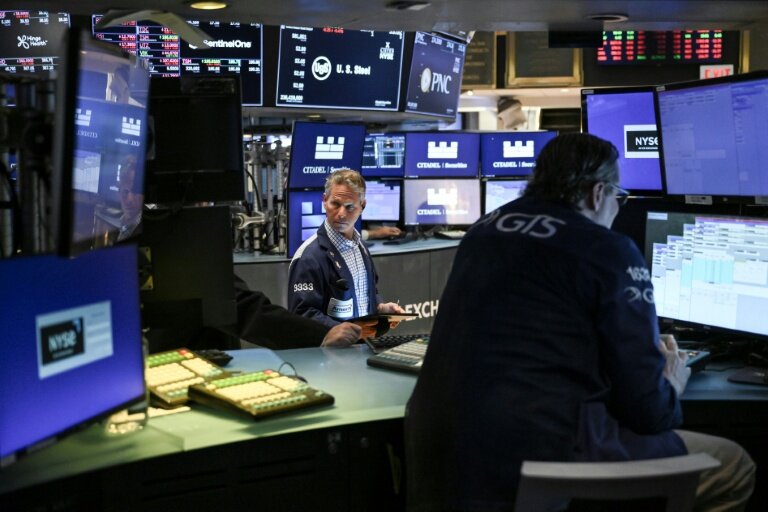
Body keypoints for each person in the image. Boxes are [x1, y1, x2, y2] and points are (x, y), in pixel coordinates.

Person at [404, 133, 755, 511]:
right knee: (733, 465)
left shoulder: (484, 230)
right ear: (596, 193)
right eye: (618, 197)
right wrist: (670, 385)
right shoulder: (606, 250)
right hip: (535, 464)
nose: (618, 209)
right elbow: (649, 411)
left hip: (438, 453)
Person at [288, 169, 404, 339]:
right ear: (324, 201)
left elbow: (368, 293)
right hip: (329, 356)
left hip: (363, 349)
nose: (341, 213)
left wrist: (381, 308)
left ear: (362, 206)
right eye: (335, 204)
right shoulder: (308, 256)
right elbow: (302, 314)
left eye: (350, 207)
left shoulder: (360, 247)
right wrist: (349, 332)